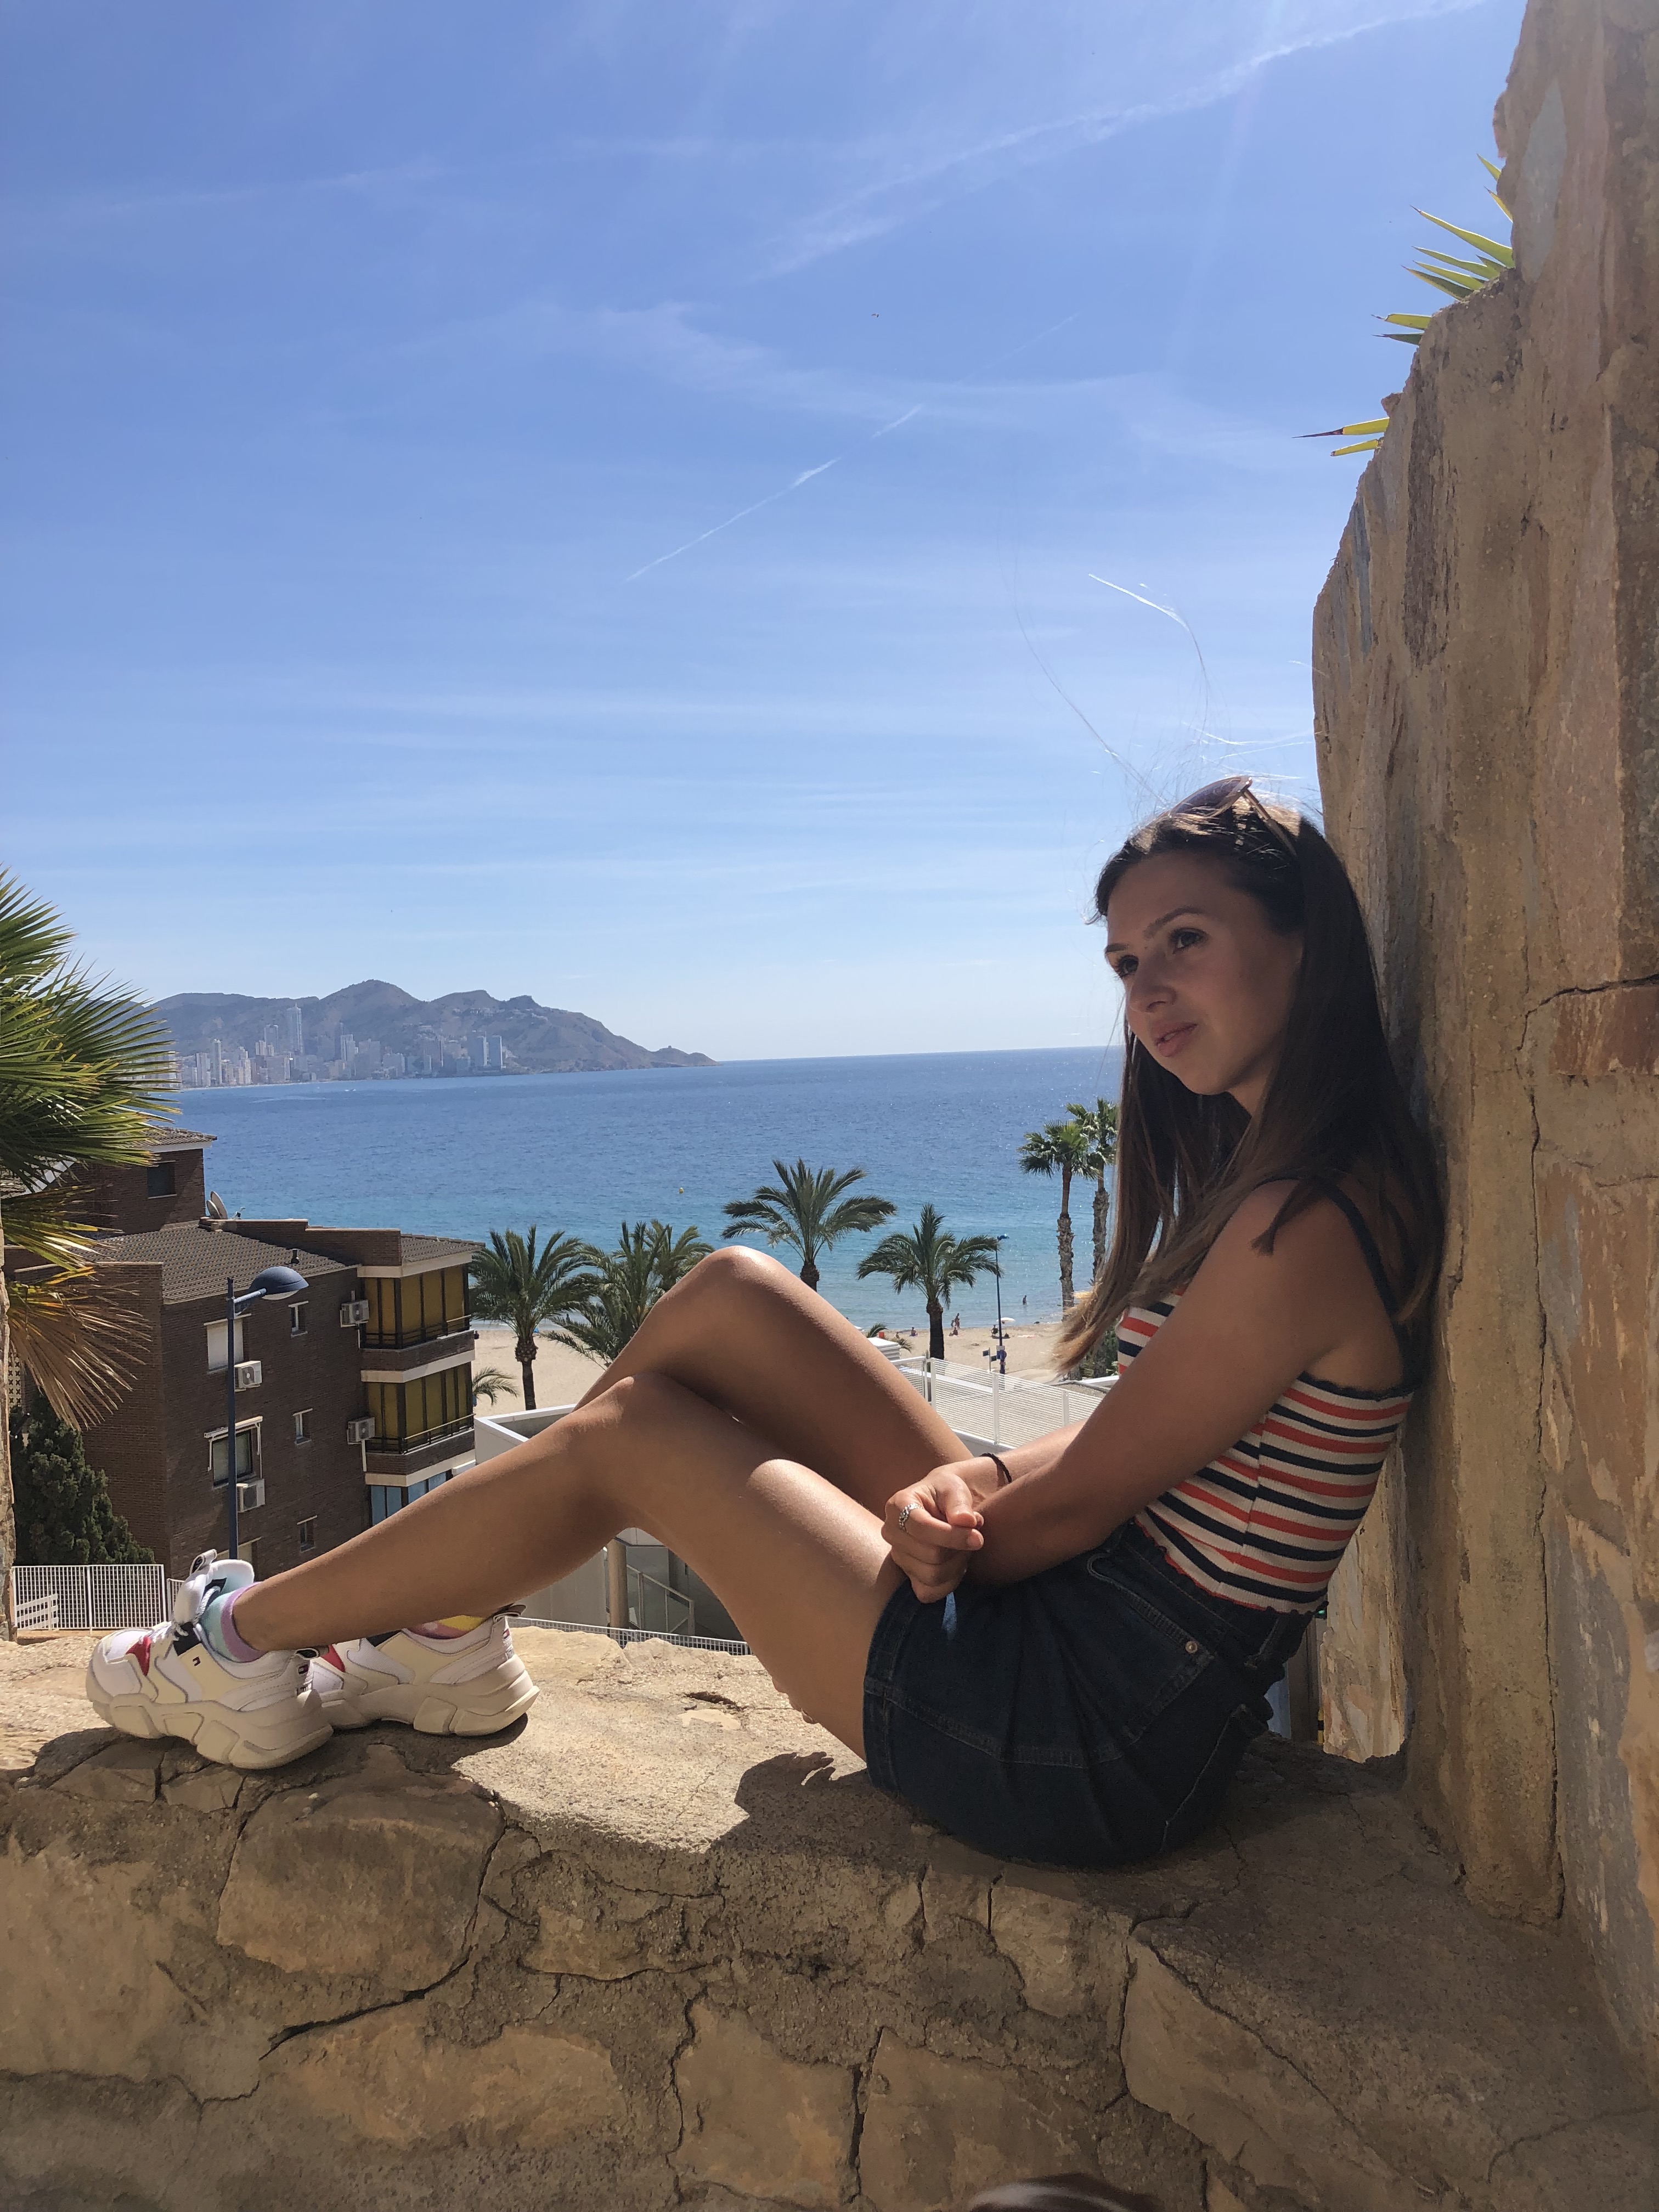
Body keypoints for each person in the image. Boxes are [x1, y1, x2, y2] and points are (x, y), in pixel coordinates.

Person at [88, 778, 1440, 1866]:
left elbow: (1083, 1507)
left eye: (1185, 943)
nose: (1145, 994)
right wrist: (967, 1488)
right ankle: (438, 1634)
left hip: (1084, 1737)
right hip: (1083, 1627)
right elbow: (1110, 1468)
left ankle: (245, 1642)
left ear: (1304, 938)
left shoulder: (1302, 1227)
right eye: (1129, 961)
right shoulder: (1283, 1188)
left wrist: (946, 1524)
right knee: (736, 1292)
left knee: (642, 1440)